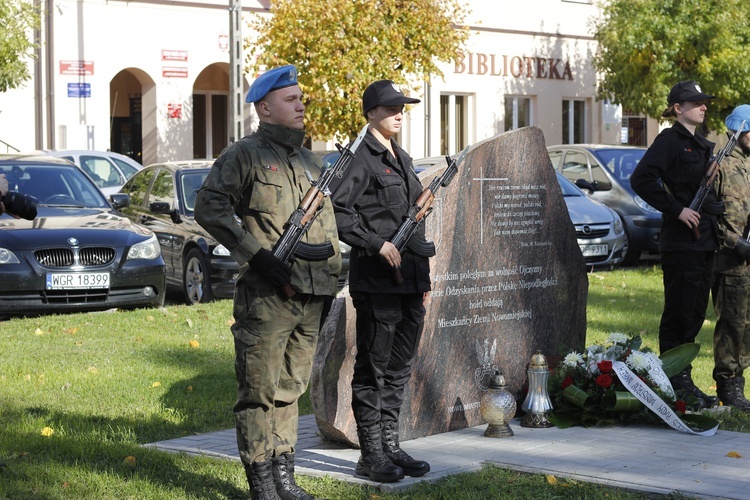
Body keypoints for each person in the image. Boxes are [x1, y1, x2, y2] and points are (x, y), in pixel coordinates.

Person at [194, 64, 341, 500]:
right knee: (258, 391)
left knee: (291, 389)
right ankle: (261, 481)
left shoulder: (311, 160)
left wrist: (331, 283)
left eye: (301, 97)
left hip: (312, 294)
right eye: (291, 99)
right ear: (265, 107)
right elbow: (210, 208)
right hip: (268, 296)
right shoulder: (245, 155)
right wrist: (255, 255)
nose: (301, 105)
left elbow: (327, 230)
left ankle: (285, 476)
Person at [329, 80, 431, 483]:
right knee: (373, 367)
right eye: (390, 108)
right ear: (371, 113)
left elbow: (410, 219)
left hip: (409, 281)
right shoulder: (360, 158)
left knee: (400, 368)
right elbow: (337, 212)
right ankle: (370, 454)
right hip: (377, 281)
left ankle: (391, 444)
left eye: (401, 107)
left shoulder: (401, 157)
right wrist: (374, 244)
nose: (399, 113)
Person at [630, 80, 721, 410]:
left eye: (704, 102)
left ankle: (682, 378)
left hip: (704, 241)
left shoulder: (700, 144)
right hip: (682, 243)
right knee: (679, 313)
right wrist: (676, 209)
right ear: (677, 108)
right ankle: (671, 380)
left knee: (695, 313)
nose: (703, 106)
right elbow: (641, 179)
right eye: (695, 102)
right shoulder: (669, 141)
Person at [711, 105, 750, 412]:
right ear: (737, 131)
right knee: (732, 324)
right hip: (730, 260)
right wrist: (734, 242)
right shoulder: (719, 166)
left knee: (748, 325)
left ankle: (740, 380)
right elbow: (707, 214)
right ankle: (728, 382)